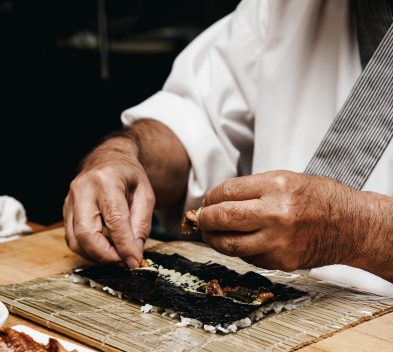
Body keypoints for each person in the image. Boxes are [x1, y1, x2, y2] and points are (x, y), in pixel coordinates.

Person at [63, 0, 393, 290]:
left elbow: (356, 227)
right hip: (272, 328)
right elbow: (194, 118)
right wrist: (121, 155)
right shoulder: (280, 6)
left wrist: (359, 229)